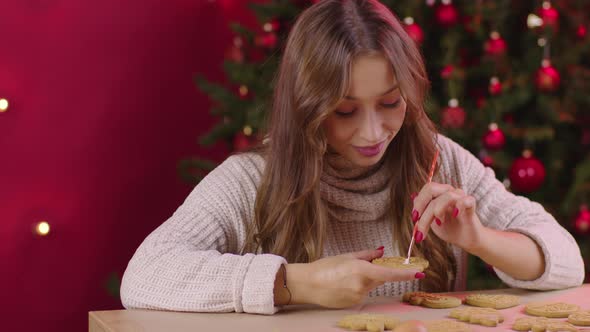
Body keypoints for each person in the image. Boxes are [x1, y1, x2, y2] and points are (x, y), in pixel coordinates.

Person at [120, 0, 584, 320]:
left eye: (390, 103)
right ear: (306, 105)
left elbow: (567, 262)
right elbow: (145, 275)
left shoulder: (441, 163)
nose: (371, 132)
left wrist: (482, 238)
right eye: (343, 110)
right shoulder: (250, 181)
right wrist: (294, 283)